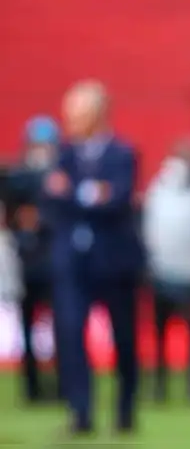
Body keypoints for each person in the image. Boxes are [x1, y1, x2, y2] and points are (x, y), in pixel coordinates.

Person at [43, 81, 143, 435]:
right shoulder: (62, 156)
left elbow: (116, 199)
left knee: (124, 339)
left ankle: (125, 411)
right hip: (72, 263)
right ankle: (80, 413)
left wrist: (74, 192)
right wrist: (89, 194)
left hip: (115, 263)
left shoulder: (122, 153)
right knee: (70, 336)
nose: (69, 121)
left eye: (77, 114)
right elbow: (52, 199)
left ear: (98, 114)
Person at [143, 141, 190, 404]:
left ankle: (164, 389)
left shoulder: (156, 193)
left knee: (166, 336)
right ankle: (189, 389)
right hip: (183, 274)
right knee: (186, 336)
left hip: (164, 272)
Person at [7, 116, 61, 403]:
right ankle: (32, 387)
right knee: (27, 328)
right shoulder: (19, 177)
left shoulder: (59, 176)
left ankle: (61, 383)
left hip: (53, 262)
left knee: (60, 327)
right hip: (27, 264)